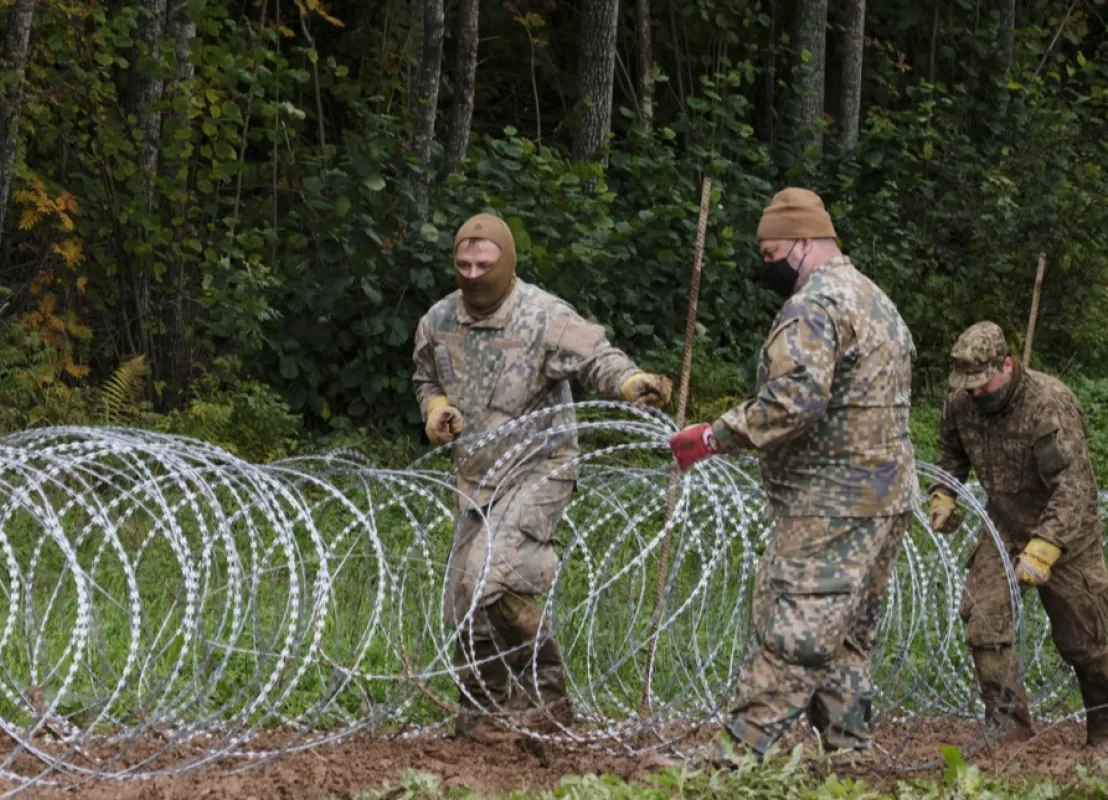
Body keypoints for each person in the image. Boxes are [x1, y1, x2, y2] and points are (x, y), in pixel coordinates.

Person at [669, 187, 917, 757]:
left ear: (803, 243)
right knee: (846, 632)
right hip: (886, 492)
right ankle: (849, 749)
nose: (767, 265)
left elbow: (794, 400)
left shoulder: (814, 305)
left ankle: (739, 752)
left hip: (832, 496)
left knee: (797, 623)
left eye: (771, 252)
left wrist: (715, 435)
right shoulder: (875, 300)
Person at [412, 212, 672, 739]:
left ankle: (545, 698)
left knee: (491, 572)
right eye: (463, 263)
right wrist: (435, 408)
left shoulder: (543, 314)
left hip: (538, 468)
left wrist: (631, 383)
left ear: (506, 261)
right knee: (463, 597)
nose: (472, 272)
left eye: (484, 263)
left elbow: (598, 358)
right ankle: (483, 708)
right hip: (475, 475)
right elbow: (425, 376)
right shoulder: (438, 320)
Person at [927, 321, 1108, 746]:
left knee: (1088, 639)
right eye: (967, 386)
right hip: (1003, 524)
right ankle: (1009, 726)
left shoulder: (1049, 404)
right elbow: (949, 452)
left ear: (1007, 364)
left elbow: (1074, 487)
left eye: (982, 384)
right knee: (984, 621)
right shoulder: (962, 403)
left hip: (1067, 533)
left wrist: (1045, 548)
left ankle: (1104, 730)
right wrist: (943, 495)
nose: (975, 393)